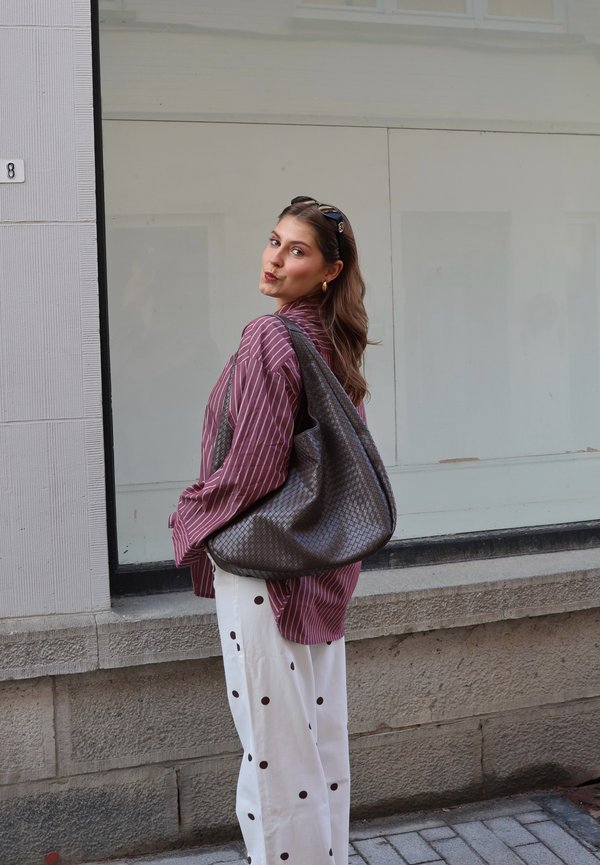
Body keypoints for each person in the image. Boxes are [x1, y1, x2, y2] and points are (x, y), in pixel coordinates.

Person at [170, 195, 371, 865]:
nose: (275, 257)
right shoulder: (333, 345)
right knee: (316, 747)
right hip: (320, 568)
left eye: (298, 250)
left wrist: (192, 511)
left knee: (273, 761)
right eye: (274, 241)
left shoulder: (270, 336)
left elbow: (251, 468)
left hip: (264, 570)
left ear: (328, 271)